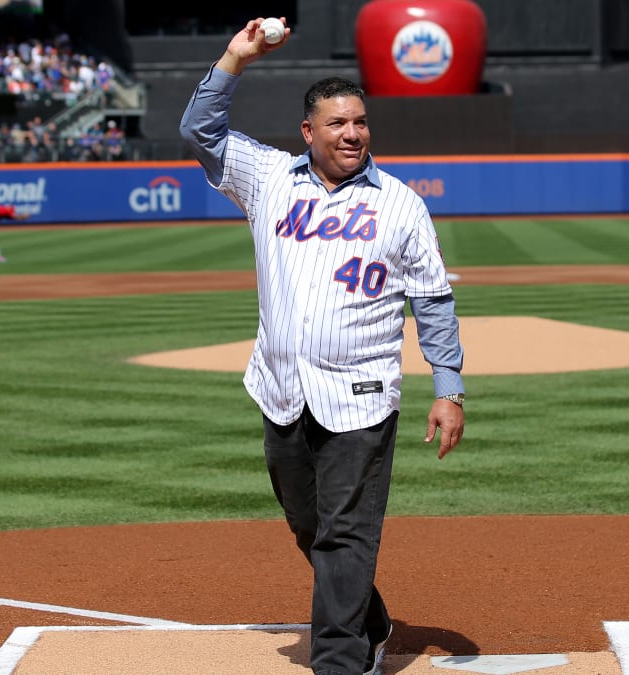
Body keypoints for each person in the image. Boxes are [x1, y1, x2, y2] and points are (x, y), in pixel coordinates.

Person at [179, 18, 466, 675]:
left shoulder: (400, 204)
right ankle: (367, 616)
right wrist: (236, 56)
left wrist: (447, 389)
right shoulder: (269, 179)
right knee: (309, 525)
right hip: (283, 390)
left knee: (346, 533)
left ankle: (340, 659)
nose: (353, 133)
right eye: (337, 124)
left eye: (360, 122)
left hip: (361, 396)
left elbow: (433, 301)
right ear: (309, 132)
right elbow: (199, 132)